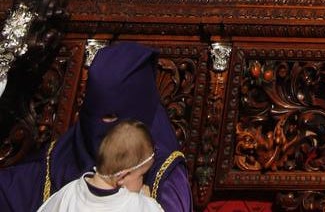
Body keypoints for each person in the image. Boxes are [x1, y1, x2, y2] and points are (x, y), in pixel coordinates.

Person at [0, 42, 192, 211]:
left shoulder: (165, 177)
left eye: (113, 117)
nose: (103, 127)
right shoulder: (63, 158)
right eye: (96, 113)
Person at [37, 120, 163, 210]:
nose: (143, 182)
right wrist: (147, 199)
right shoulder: (138, 206)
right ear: (123, 176)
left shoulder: (68, 193)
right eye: (142, 175)